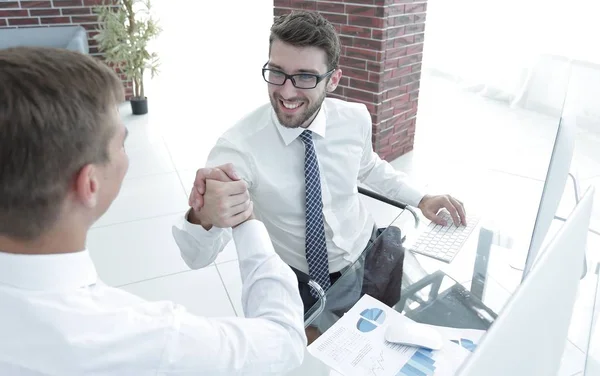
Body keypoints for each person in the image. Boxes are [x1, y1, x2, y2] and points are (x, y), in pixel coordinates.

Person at [0, 47, 306, 375]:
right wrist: (246, 219)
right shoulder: (147, 339)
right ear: (89, 185)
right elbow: (284, 342)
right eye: (120, 144)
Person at [172, 10, 467, 340]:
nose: (286, 92)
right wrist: (204, 215)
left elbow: (368, 167)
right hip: (303, 283)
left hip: (370, 252)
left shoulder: (354, 118)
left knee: (387, 343)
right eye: (277, 73)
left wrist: (422, 198)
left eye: (305, 77)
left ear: (334, 79)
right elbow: (195, 257)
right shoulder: (238, 149)